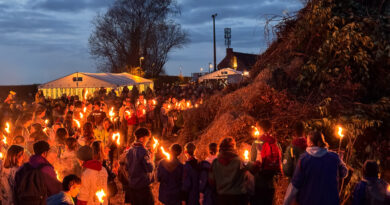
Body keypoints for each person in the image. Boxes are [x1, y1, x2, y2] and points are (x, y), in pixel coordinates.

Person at [283, 131, 348, 205]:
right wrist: (340, 161)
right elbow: (344, 173)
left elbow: (294, 186)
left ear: (311, 143)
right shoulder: (334, 157)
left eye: (307, 141)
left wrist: (286, 202)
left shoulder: (304, 159)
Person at [14, 140, 62, 205]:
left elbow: (15, 188)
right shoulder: (47, 169)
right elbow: (55, 190)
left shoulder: (23, 167)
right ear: (45, 153)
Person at [250, 120, 282, 205]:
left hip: (259, 181)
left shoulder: (256, 142)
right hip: (271, 181)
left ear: (259, 129)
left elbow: (252, 161)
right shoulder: (275, 142)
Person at [209, 137, 247, 205]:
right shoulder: (239, 161)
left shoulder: (215, 162)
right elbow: (250, 170)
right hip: (237, 197)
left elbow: (211, 180)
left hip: (221, 197)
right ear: (233, 147)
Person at [125, 127, 154, 205]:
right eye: (147, 138)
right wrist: (152, 157)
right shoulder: (143, 151)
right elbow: (150, 168)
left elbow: (127, 167)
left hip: (132, 184)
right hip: (142, 185)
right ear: (142, 139)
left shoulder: (130, 150)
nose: (148, 141)